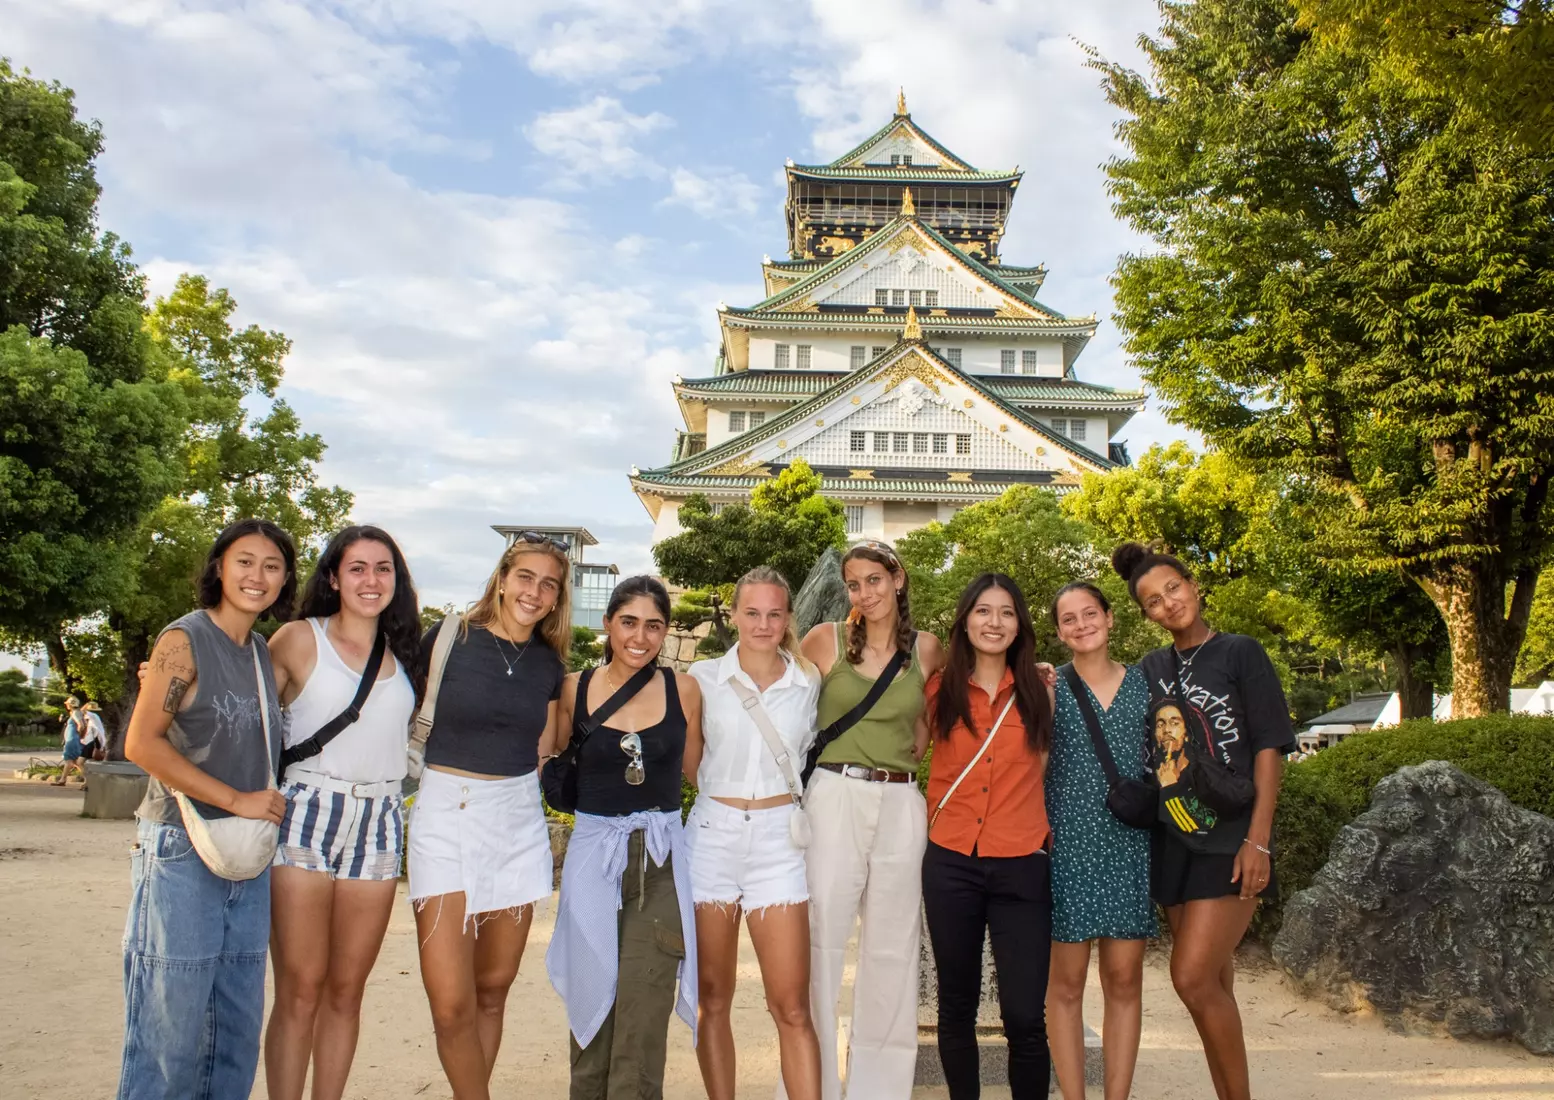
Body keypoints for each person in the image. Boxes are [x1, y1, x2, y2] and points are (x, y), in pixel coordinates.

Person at [118, 518, 294, 1100]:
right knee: (172, 1028)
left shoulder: (261, 651)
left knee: (236, 1027)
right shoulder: (184, 638)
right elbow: (141, 744)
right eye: (244, 561)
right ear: (218, 566)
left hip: (247, 855)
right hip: (181, 845)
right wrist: (236, 799)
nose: (257, 576)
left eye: (272, 566)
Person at [1111, 542, 1294, 1100]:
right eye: (1152, 602)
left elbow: (1269, 747)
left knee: (1190, 977)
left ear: (1193, 586)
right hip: (1174, 839)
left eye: (1173, 589)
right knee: (1213, 983)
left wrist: (1258, 842)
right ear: (1145, 616)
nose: (1167, 604)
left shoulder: (1241, 652)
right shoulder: (1151, 668)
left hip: (1232, 836)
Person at [409, 533, 573, 1100]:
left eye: (548, 584)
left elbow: (549, 744)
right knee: (451, 1002)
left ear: (557, 598)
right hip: (445, 810)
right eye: (525, 577)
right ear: (502, 578)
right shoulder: (449, 639)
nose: (535, 591)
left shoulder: (551, 666)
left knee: (493, 989)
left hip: (516, 815)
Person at [262, 526, 422, 1100]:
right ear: (333, 576)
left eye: (383, 569)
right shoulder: (298, 639)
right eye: (357, 568)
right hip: (307, 807)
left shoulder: (406, 651)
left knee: (346, 989)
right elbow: (243, 711)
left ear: (396, 581)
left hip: (379, 817)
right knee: (300, 987)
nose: (370, 580)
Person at [547, 575, 704, 1100]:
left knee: (644, 1000)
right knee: (593, 995)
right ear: (609, 623)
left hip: (658, 859)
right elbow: (543, 755)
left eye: (654, 625)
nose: (640, 636)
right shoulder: (574, 687)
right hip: (593, 855)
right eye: (629, 622)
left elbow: (701, 774)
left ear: (665, 632)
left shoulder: (683, 690)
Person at [798, 539, 944, 1100]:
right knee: (821, 939)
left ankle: (879, 1090)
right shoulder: (824, 640)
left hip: (901, 801)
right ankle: (812, 1087)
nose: (865, 593)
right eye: (854, 583)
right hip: (835, 794)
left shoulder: (928, 649)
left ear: (898, 579)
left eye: (875, 580)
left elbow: (945, 709)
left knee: (893, 948)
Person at [687, 566, 822, 1100]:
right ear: (735, 614)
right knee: (712, 997)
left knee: (791, 1005)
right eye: (752, 613)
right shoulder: (700, 677)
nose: (763, 624)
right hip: (712, 837)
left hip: (778, 842)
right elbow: (691, 757)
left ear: (788, 618)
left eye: (773, 613)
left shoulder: (809, 681)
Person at [922, 573, 1054, 1100]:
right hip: (951, 859)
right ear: (965, 620)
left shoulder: (1042, 690)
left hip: (1021, 861)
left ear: (1019, 624)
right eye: (982, 611)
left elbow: (1042, 769)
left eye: (1005, 612)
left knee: (1025, 1014)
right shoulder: (938, 688)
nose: (994, 622)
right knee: (956, 1006)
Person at [1045, 582, 1155, 1100]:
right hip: (1066, 847)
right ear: (1059, 630)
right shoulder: (1047, 686)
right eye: (1069, 618)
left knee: (1124, 979)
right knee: (1065, 986)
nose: (1082, 624)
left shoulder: (1148, 685)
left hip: (1128, 845)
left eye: (1090, 613)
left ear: (1111, 618)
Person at [52, 696, 86, 785]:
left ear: (70, 705)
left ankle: (89, 780)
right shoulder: (79, 713)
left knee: (71, 761)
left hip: (71, 740)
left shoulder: (75, 713)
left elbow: (81, 725)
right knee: (74, 761)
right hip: (73, 739)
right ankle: (63, 779)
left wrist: (76, 733)